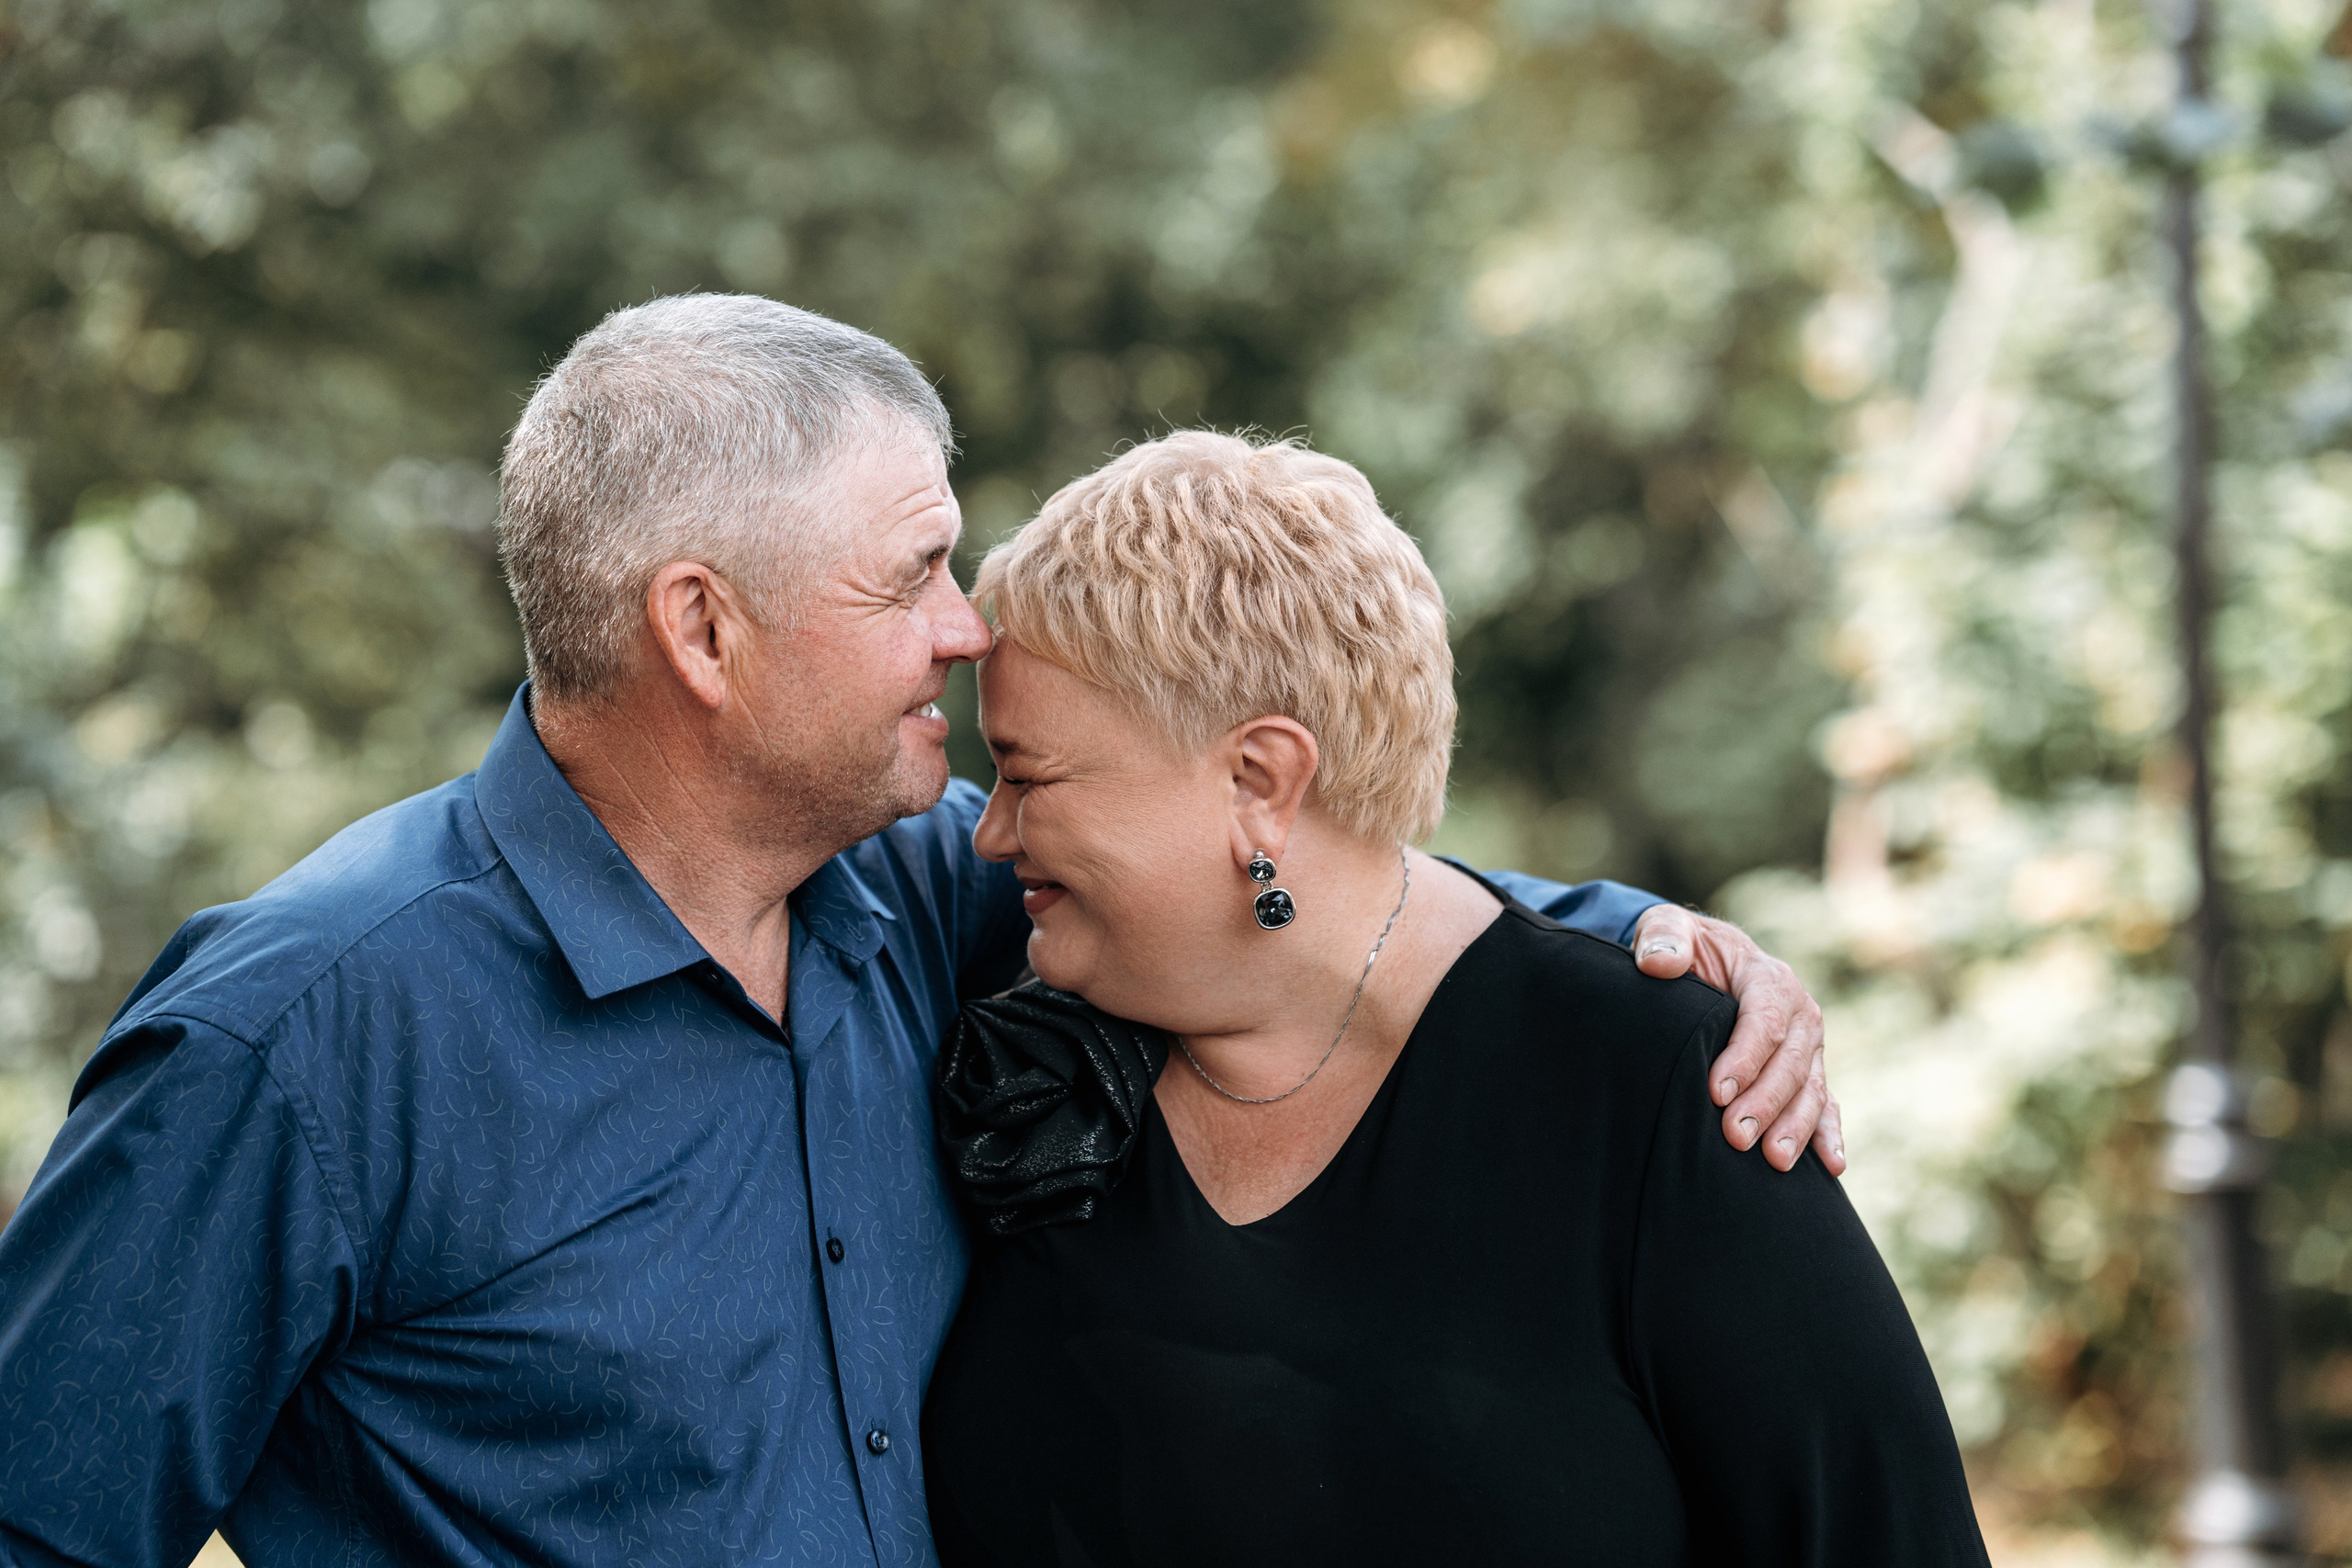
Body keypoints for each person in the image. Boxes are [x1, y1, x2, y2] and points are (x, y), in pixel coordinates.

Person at [0, 298, 1834, 1568]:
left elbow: (1277, 882)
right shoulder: (301, 1036)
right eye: (913, 573)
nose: (966, 632)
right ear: (702, 634)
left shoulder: (929, 893)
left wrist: (1633, 947)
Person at [922, 432, 1988, 1566]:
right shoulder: (1015, 1027)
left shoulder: (1652, 1084)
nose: (987, 834)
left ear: (1258, 781)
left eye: (1027, 778)